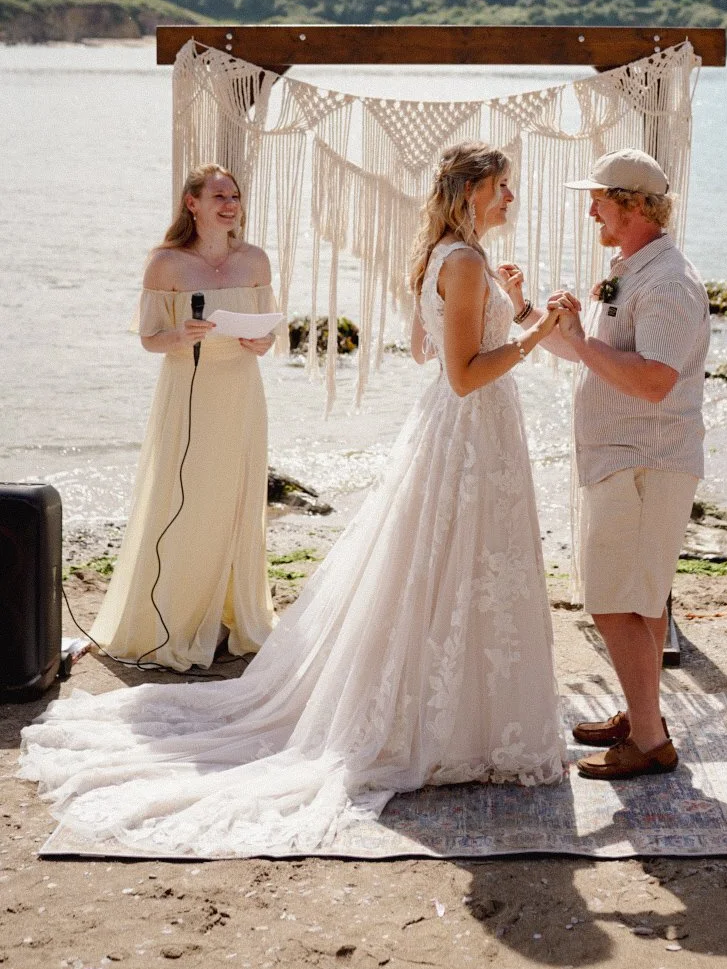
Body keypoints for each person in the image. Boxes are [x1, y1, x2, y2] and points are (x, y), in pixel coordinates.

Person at [21, 143, 566, 855]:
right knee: (465, 567)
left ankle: (462, 714)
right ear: (470, 192)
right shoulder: (462, 262)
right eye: (502, 188)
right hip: (472, 425)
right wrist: (537, 332)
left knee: (455, 570)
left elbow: (426, 349)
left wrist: (511, 308)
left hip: (463, 432)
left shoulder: (448, 256)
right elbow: (463, 375)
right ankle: (461, 720)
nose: (510, 200)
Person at [546, 148, 710, 781]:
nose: (592, 208)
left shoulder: (667, 281)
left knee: (615, 600)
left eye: (603, 198)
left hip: (647, 459)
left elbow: (654, 382)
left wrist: (584, 343)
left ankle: (647, 739)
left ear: (638, 206)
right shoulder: (636, 269)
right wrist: (550, 322)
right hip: (628, 457)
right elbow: (600, 357)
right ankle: (645, 716)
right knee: (638, 599)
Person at [92, 164, 278, 671]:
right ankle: (173, 617)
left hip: (240, 393)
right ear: (192, 203)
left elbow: (269, 330)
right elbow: (151, 339)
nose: (230, 204)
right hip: (188, 393)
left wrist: (262, 341)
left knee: (235, 500)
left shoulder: (256, 260)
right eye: (219, 195)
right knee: (184, 499)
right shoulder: (166, 264)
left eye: (235, 196)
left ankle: (227, 617)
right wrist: (177, 337)